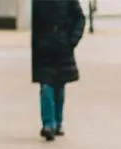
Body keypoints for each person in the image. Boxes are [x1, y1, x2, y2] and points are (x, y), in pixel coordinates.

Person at [31, 0, 86, 141]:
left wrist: (72, 40)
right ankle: (48, 124)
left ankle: (58, 121)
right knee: (46, 86)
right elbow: (35, 25)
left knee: (59, 87)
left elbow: (80, 18)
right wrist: (36, 49)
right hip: (44, 49)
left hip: (62, 48)